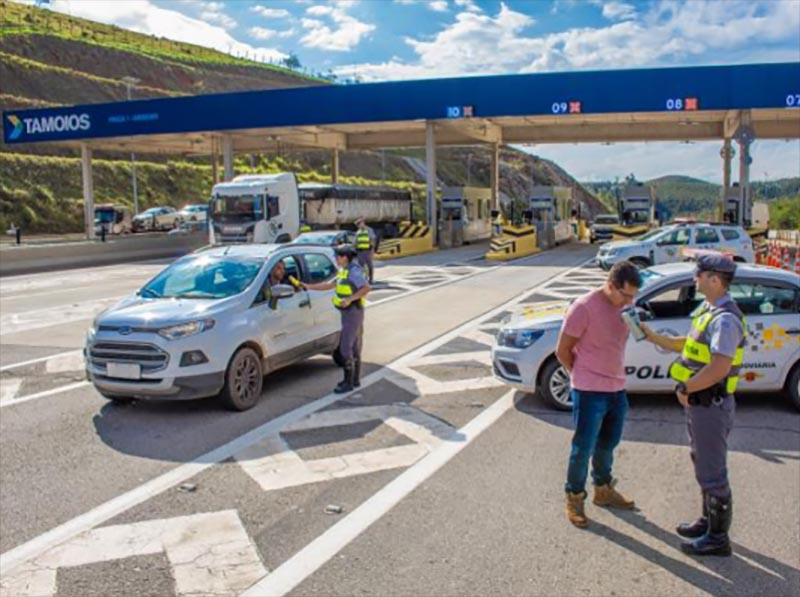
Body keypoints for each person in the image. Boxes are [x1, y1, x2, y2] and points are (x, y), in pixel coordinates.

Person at [641, 253, 745, 557]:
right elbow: (689, 345)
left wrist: (686, 386)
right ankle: (707, 521)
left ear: (714, 279)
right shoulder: (710, 310)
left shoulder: (725, 319)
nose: (694, 280)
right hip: (701, 404)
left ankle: (718, 539)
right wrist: (652, 337)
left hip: (710, 404)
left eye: (698, 275)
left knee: (713, 471)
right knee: (703, 464)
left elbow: (718, 367)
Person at [556, 260, 642, 528]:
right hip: (589, 389)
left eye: (633, 296)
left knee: (608, 444)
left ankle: (603, 490)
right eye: (625, 294)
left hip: (617, 387)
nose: (628, 301)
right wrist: (580, 374)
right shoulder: (584, 308)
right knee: (582, 448)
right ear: (610, 285)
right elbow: (563, 350)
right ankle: (574, 497)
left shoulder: (626, 307)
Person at [304, 245, 370, 393]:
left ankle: (348, 382)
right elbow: (330, 285)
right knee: (353, 345)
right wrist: (309, 286)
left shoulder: (353, 271)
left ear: (344, 257)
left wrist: (350, 299)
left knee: (345, 347)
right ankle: (354, 380)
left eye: (337, 257)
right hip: (348, 312)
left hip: (352, 312)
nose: (335, 259)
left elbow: (366, 288)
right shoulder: (344, 271)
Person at [355, 217, 376, 284]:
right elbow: (356, 242)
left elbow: (372, 240)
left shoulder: (369, 230)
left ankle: (371, 279)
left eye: (360, 224)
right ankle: (363, 279)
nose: (359, 226)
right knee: (361, 266)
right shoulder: (358, 232)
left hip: (367, 251)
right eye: (358, 225)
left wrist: (372, 250)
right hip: (360, 251)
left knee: (369, 265)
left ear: (363, 223)